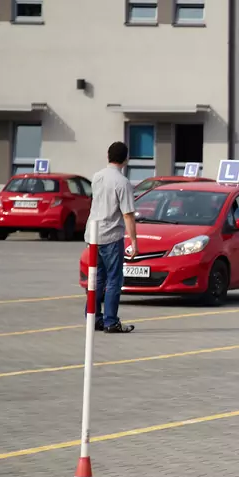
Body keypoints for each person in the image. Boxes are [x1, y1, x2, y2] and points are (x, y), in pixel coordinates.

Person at [88, 142, 138, 334]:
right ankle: (111, 321)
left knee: (97, 278)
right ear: (126, 159)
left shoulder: (97, 176)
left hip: (93, 234)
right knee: (114, 280)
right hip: (111, 234)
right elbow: (127, 214)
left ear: (108, 156)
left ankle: (93, 317)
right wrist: (133, 241)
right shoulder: (122, 182)